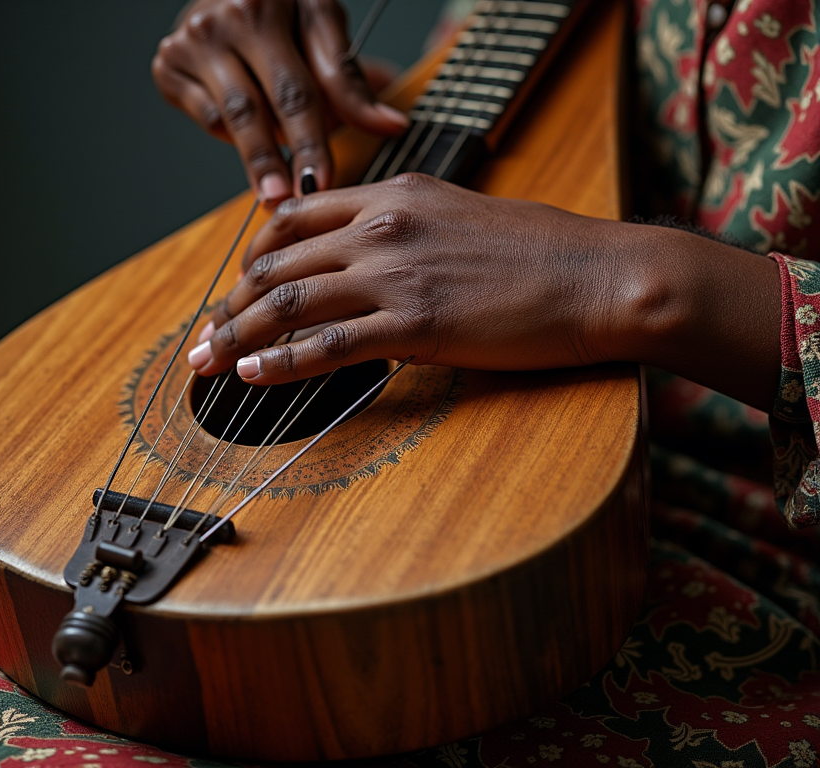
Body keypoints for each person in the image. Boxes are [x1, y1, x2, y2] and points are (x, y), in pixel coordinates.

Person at [154, 0, 820, 764]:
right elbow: (530, 164)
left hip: (745, 578)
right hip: (451, 447)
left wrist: (634, 282)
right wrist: (334, 97)